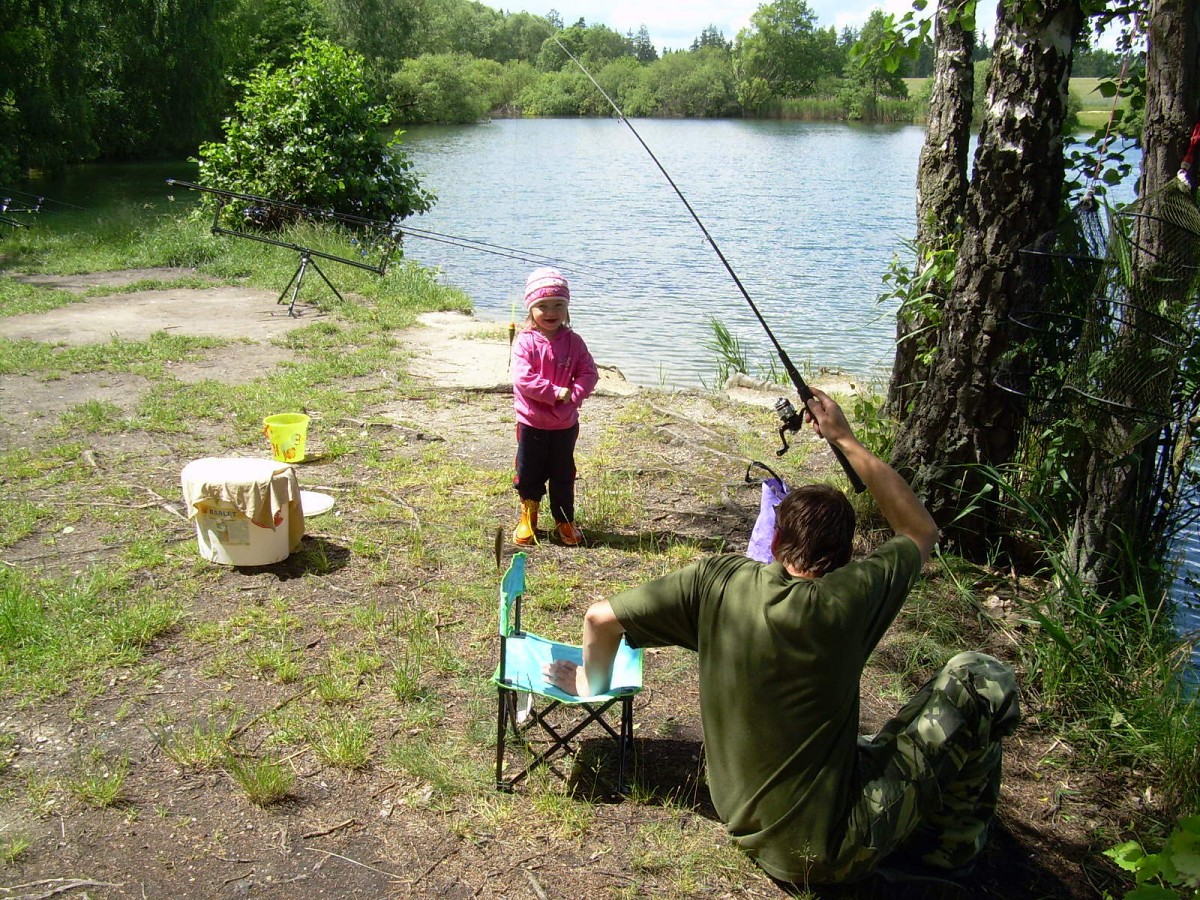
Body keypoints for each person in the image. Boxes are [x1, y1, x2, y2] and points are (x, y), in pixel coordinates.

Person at [545, 388, 1020, 886]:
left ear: (774, 541)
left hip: (739, 816)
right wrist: (845, 438)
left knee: (882, 740)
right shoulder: (850, 599)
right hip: (823, 852)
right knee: (978, 676)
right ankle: (949, 853)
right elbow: (921, 531)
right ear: (846, 556)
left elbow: (600, 618)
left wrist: (587, 684)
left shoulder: (718, 582)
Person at [510, 267, 598, 547]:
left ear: (567, 307)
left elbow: (589, 372)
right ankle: (529, 516)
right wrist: (556, 392)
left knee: (563, 474)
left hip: (564, 425)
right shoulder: (525, 341)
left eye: (558, 305)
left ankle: (564, 519)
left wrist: (575, 395)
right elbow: (523, 378)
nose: (551, 312)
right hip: (532, 423)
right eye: (542, 306)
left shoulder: (574, 342)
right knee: (528, 472)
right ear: (531, 308)